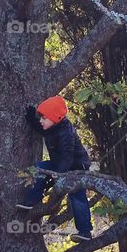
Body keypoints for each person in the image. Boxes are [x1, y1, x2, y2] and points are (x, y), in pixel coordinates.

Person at [16, 96, 94, 241]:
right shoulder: (52, 126)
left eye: (43, 118)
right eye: (40, 118)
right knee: (39, 168)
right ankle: (32, 200)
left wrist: (59, 175)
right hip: (59, 165)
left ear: (55, 118)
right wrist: (32, 118)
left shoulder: (66, 132)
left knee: (77, 196)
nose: (41, 121)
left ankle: (85, 231)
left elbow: (67, 157)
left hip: (76, 167)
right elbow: (41, 128)